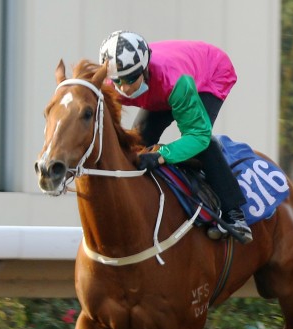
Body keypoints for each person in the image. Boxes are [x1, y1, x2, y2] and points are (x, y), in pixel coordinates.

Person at [99, 30, 252, 244]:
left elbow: (198, 136)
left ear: (144, 69)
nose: (124, 88)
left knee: (202, 143)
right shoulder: (109, 86)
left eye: (132, 78)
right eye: (118, 80)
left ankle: (234, 214)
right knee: (139, 142)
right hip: (163, 87)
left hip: (209, 73)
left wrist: (162, 155)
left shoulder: (175, 82)